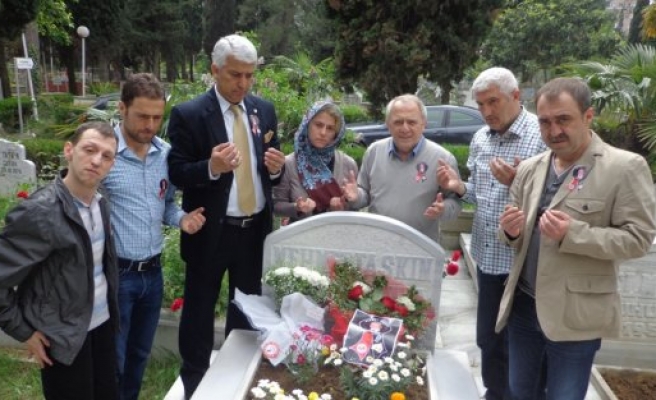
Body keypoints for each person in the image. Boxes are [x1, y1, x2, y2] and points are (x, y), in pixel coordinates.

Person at [498, 77, 656, 400]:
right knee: (518, 391)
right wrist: (511, 232)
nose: (553, 130)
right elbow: (516, 239)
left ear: (588, 116)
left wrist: (574, 234)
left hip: (576, 313)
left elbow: (639, 239)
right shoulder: (530, 168)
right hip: (524, 307)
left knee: (565, 396)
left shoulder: (624, 168)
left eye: (563, 119)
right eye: (545, 121)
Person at [167, 34, 286, 398]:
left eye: (249, 76)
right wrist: (211, 167)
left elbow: (267, 166)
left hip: (253, 231)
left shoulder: (262, 110)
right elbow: (176, 171)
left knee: (246, 313)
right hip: (210, 231)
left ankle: (236, 384)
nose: (243, 84)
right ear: (214, 70)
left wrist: (277, 169)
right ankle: (195, 385)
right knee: (199, 314)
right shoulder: (189, 114)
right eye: (235, 75)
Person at [437, 67, 547, 400]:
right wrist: (459, 186)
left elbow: (556, 198)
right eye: (481, 103)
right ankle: (495, 393)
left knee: (523, 341)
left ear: (517, 96)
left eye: (493, 102)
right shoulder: (481, 138)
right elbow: (480, 193)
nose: (486, 111)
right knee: (488, 337)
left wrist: (518, 182)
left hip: (524, 263)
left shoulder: (540, 136)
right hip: (488, 258)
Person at [103, 73, 205, 400]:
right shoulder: (104, 156)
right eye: (142, 116)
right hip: (116, 276)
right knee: (114, 360)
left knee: (138, 357)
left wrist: (182, 219)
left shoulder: (165, 155)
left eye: (157, 117)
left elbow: (166, 205)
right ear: (122, 108)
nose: (150, 125)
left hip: (153, 275)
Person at [0, 121, 119, 400]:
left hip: (101, 326)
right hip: (63, 338)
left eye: (106, 156)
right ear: (69, 150)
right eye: (89, 150)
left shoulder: (101, 202)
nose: (96, 160)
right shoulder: (41, 212)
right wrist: (24, 332)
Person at [342, 94, 461, 242]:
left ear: (423, 123)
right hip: (378, 243)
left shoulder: (443, 159)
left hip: (420, 248)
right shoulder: (374, 152)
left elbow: (455, 203)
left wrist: (443, 209)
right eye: (398, 122)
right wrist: (355, 196)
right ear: (388, 124)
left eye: (412, 122)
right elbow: (364, 194)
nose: (405, 128)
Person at [273, 101, 358, 222]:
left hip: (339, 235)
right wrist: (297, 207)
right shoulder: (289, 164)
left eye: (330, 128)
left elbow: (356, 207)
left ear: (336, 134)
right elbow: (277, 205)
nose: (323, 133)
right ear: (307, 125)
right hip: (301, 237)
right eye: (318, 125)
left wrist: (347, 204)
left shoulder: (348, 164)